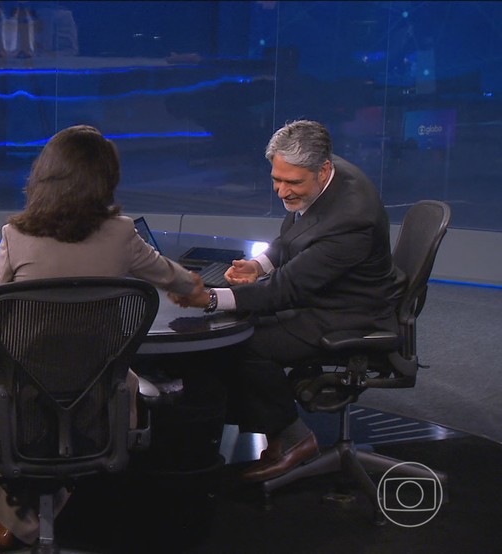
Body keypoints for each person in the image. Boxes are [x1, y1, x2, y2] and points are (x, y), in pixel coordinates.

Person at [0, 124, 204, 547]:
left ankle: (10, 524)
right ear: (104, 181)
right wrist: (196, 289)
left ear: (45, 176)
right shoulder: (122, 233)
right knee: (50, 426)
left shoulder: (16, 235)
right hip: (97, 404)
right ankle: (23, 526)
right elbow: (171, 276)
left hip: (25, 401)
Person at [173, 120, 404, 482]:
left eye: (292, 183)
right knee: (239, 327)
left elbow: (285, 291)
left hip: (349, 312)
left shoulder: (351, 220)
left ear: (323, 170)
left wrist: (209, 298)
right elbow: (298, 231)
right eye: (276, 180)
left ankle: (293, 438)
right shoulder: (320, 173)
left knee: (246, 342)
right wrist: (259, 263)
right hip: (327, 293)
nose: (282, 191)